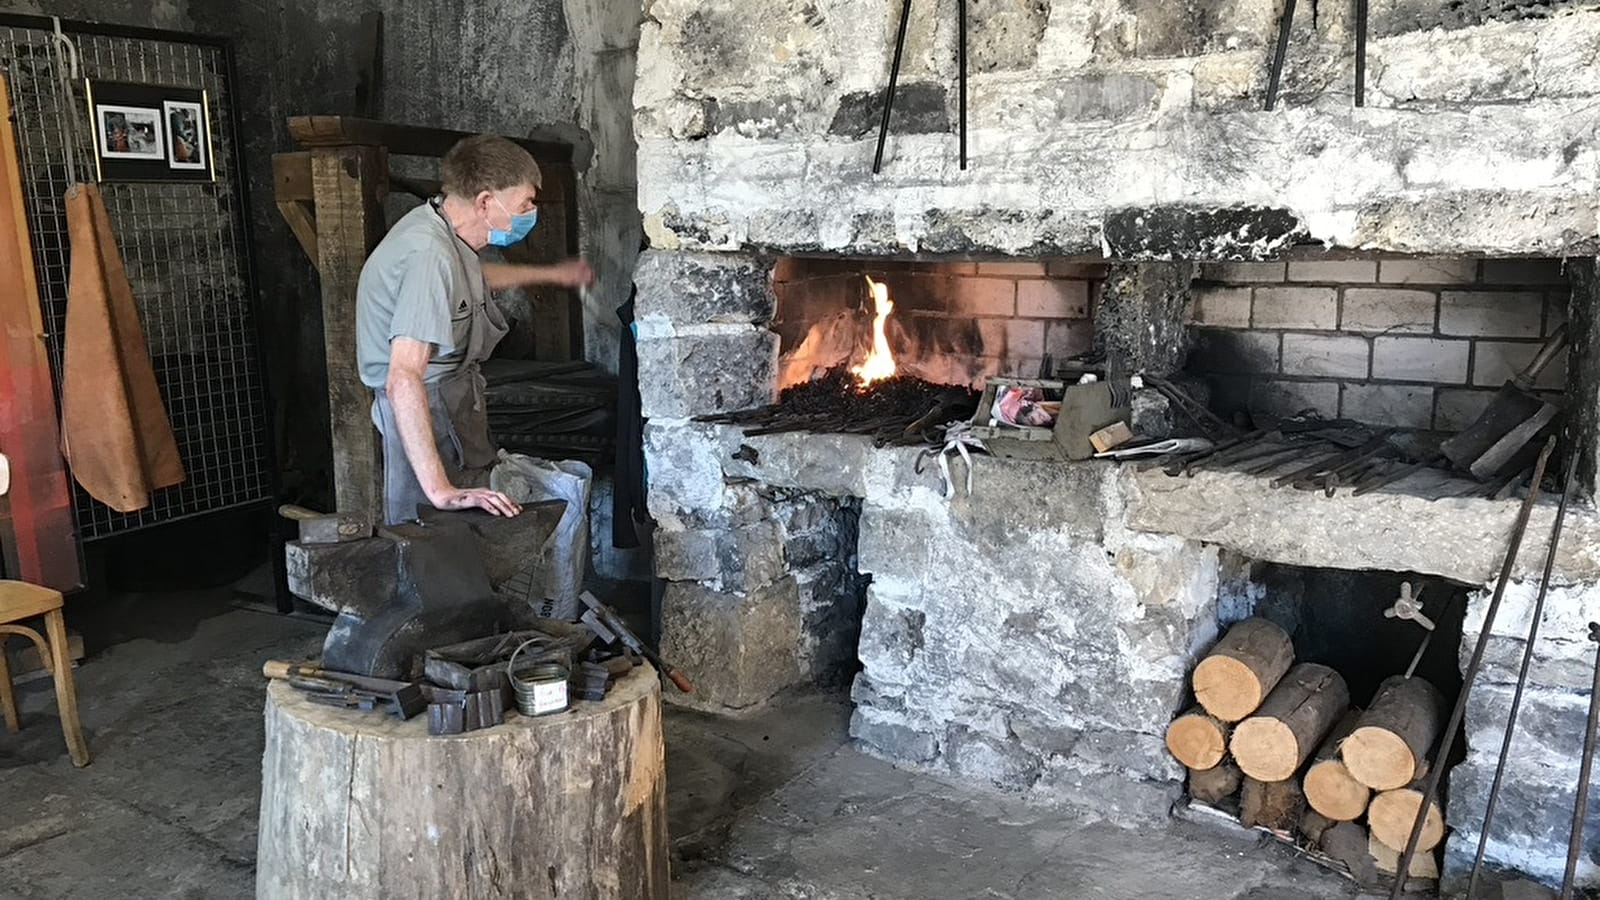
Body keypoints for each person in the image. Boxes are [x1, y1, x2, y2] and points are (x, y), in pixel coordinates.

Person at [355, 135, 592, 525]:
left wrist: (549, 274)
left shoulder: (447, 233)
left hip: (451, 400)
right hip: (424, 411)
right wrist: (441, 491)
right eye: (525, 204)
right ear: (485, 202)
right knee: (432, 541)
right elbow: (403, 378)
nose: (531, 212)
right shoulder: (428, 255)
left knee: (470, 531)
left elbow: (472, 278)